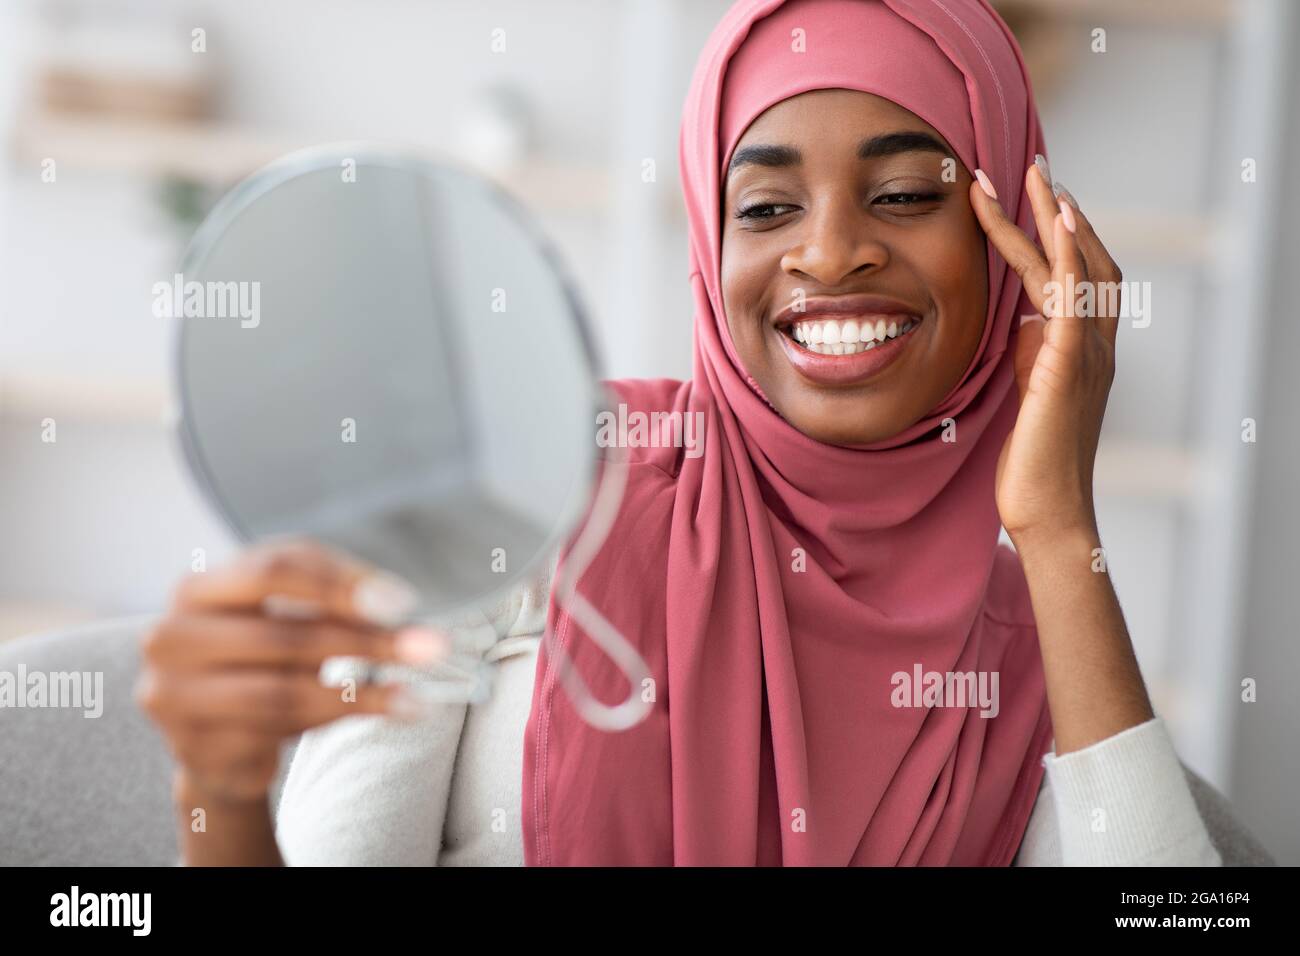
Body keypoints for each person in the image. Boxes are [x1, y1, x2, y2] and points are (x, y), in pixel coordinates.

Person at [138, 0, 1221, 866]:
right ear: (709, 248)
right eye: (763, 208)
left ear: (1009, 245)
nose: (830, 252)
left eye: (901, 194)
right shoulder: (532, 485)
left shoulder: (1039, 655)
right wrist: (217, 797)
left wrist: (1054, 518)